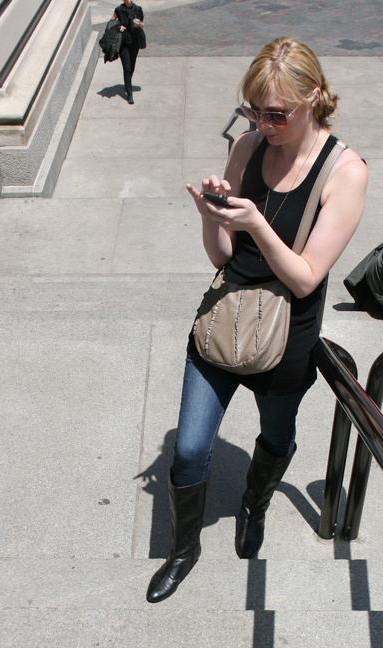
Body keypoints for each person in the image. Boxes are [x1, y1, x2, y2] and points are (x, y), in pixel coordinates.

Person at [146, 36, 368, 604]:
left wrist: (255, 224)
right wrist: (211, 217)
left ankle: (254, 503)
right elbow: (223, 256)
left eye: (276, 114)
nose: (264, 124)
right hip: (225, 315)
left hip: (286, 335)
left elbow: (304, 277)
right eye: (253, 111)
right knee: (191, 448)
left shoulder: (344, 172)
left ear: (314, 98)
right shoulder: (247, 146)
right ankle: (184, 548)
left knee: (276, 435)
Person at [111, 0, 144, 104]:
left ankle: (127, 83)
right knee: (127, 67)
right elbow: (111, 22)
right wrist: (118, 26)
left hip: (134, 42)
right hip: (123, 43)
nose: (131, 0)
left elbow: (142, 24)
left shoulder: (138, 9)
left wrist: (139, 25)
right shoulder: (119, 10)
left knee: (132, 66)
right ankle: (129, 94)